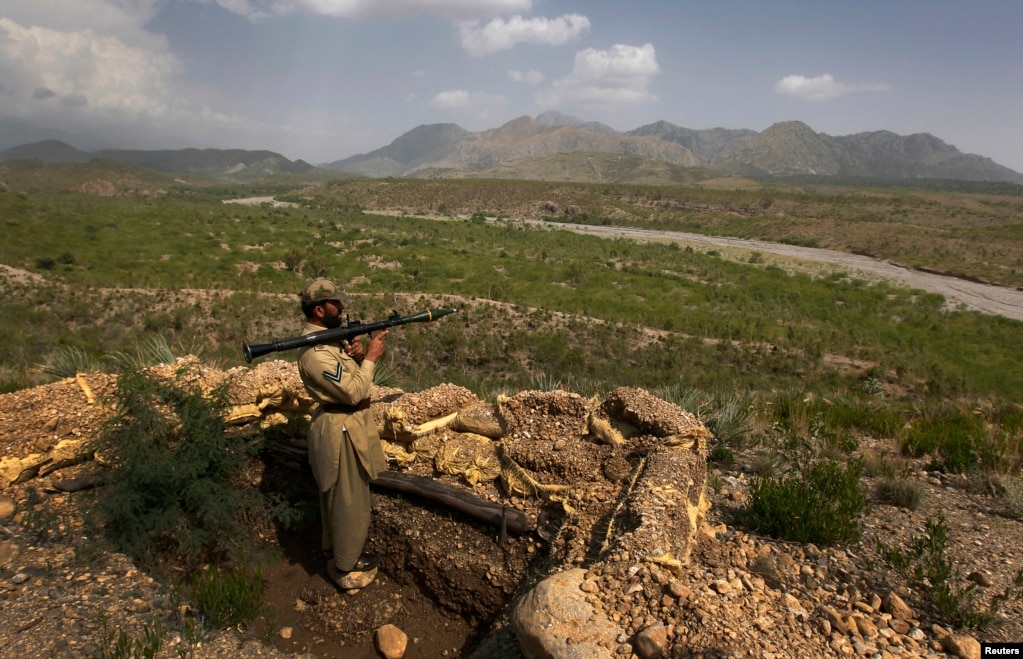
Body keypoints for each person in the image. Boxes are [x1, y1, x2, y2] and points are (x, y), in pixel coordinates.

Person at [296, 278, 388, 593]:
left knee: (340, 499)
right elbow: (352, 392)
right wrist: (373, 357)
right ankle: (345, 565)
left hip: (346, 425)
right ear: (320, 309)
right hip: (340, 430)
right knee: (349, 500)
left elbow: (349, 376)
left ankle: (334, 551)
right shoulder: (316, 352)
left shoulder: (330, 342)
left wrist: (359, 356)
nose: (342, 307)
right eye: (336, 303)